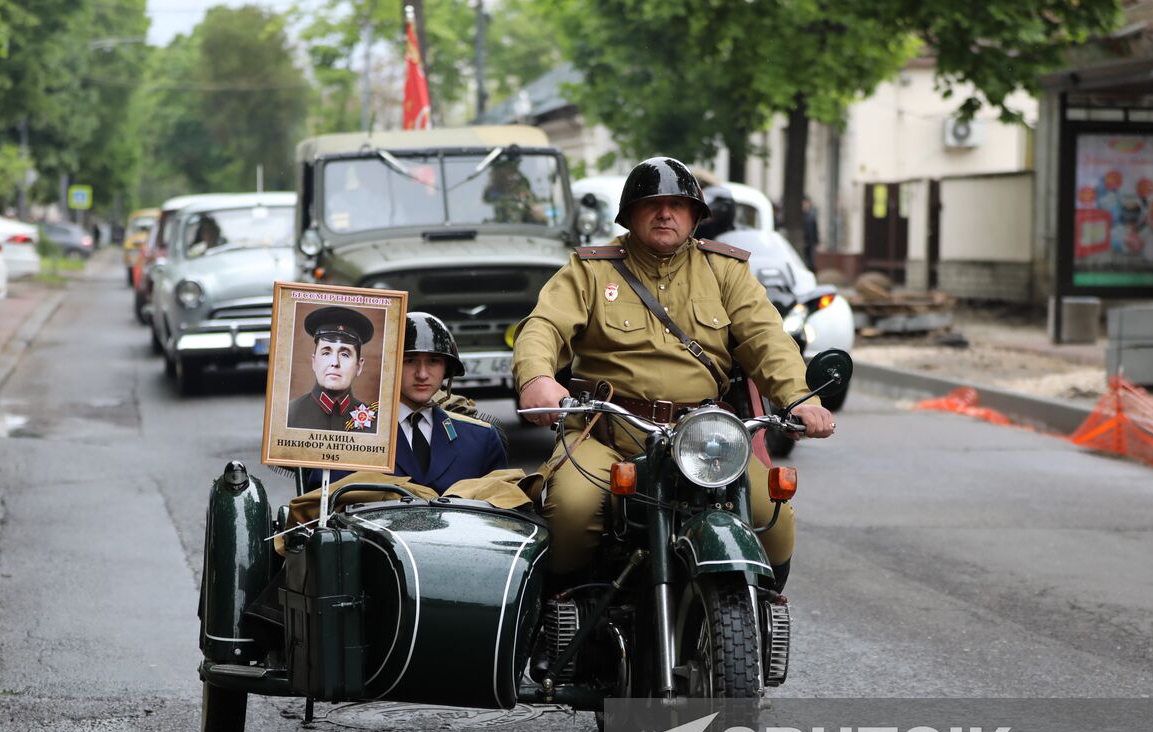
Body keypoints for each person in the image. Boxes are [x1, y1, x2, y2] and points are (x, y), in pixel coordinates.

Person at [513, 156, 835, 591]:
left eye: (678, 205)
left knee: (771, 517)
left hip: (704, 438)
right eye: (653, 203)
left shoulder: (725, 271)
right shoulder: (592, 269)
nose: (666, 213)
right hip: (607, 433)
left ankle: (760, 620)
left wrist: (801, 398)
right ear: (630, 214)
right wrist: (536, 378)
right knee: (572, 507)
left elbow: (767, 339)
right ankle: (560, 619)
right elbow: (543, 325)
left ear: (695, 216)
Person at [303, 312, 506, 493]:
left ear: (447, 369)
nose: (422, 374)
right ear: (390, 365)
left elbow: (502, 512)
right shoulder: (345, 438)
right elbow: (322, 513)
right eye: (409, 361)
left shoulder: (481, 439)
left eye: (433, 361)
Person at [287, 306, 379, 432]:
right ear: (314, 362)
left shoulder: (375, 422)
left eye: (345, 354)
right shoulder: (288, 415)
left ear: (359, 366)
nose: (335, 363)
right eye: (326, 353)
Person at [800, 196, 819, 271]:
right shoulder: (801, 216)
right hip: (803, 242)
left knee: (811, 261)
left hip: (810, 243)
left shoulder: (811, 216)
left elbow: (814, 230)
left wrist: (816, 242)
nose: (805, 205)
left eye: (807, 203)